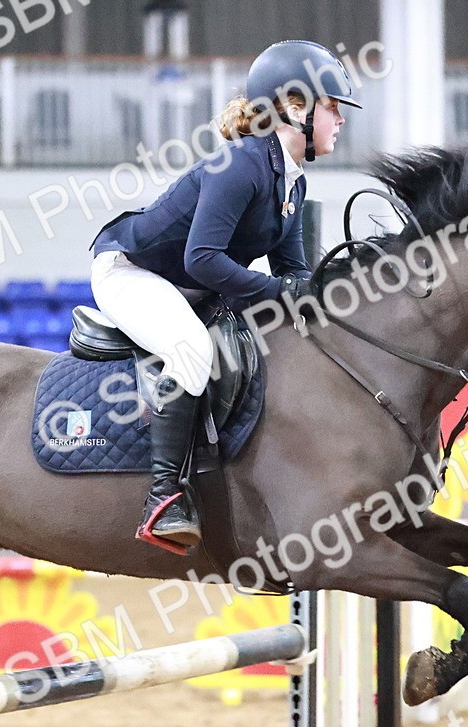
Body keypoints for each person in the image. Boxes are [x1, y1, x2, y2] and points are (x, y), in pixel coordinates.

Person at [89, 40, 360, 554]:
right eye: (333, 106)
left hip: (190, 287)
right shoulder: (240, 164)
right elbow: (202, 259)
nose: (341, 119)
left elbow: (293, 272)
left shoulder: (292, 183)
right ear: (295, 107)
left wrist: (327, 295)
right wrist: (285, 291)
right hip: (131, 273)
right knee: (193, 348)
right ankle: (163, 500)